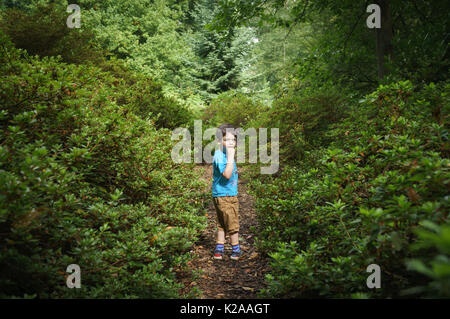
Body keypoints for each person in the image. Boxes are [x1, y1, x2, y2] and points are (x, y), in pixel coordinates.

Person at [212, 124, 241, 260]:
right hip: (226, 196)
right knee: (232, 224)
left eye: (233, 140)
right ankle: (236, 250)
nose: (231, 143)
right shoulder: (221, 155)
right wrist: (230, 157)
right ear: (219, 141)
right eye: (226, 139)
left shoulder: (222, 154)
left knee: (222, 223)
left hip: (221, 194)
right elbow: (227, 175)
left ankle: (219, 250)